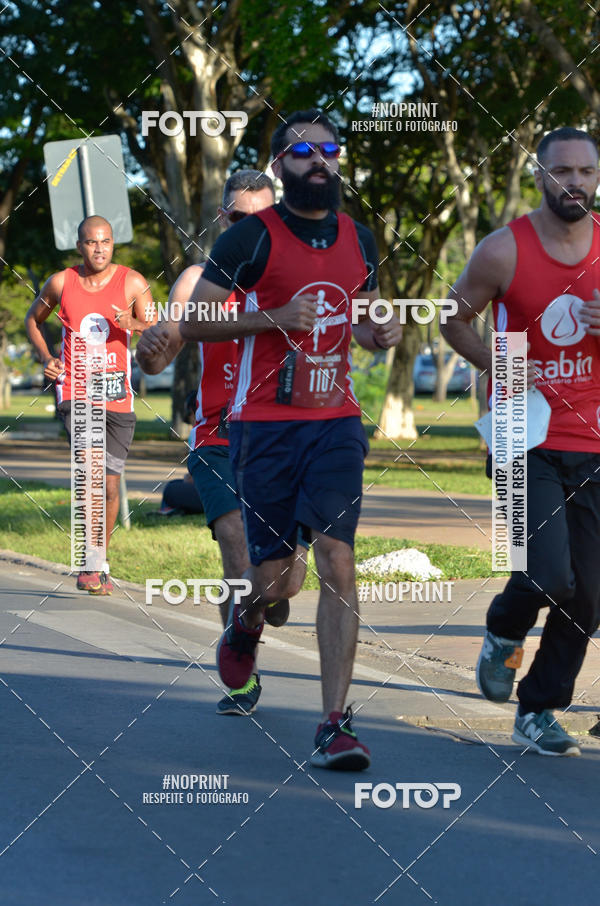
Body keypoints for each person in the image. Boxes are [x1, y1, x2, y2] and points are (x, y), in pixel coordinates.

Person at [176, 109, 402, 770]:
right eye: (303, 151)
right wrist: (274, 316)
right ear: (280, 165)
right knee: (275, 579)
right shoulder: (250, 239)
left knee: (337, 559)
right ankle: (246, 622)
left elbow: (362, 319)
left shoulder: (360, 238)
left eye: (329, 149)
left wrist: (378, 333)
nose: (318, 160)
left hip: (336, 421)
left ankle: (334, 724)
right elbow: (194, 323)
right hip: (264, 425)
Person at [442, 126, 600, 756]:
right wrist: (499, 361)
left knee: (590, 592)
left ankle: (538, 709)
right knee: (546, 576)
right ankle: (504, 631)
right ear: (540, 175)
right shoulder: (503, 249)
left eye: (586, 171)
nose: (576, 183)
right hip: (519, 433)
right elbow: (453, 318)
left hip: (593, 436)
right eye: (563, 171)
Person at [136, 169, 300, 715]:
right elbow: (160, 355)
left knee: (283, 582)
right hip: (217, 438)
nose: (249, 227)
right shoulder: (197, 281)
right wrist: (149, 352)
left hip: (282, 440)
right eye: (237, 217)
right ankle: (242, 671)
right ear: (221, 218)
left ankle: (268, 600)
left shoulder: (294, 279)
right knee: (236, 544)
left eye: (262, 218)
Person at [25, 215, 156, 594]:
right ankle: (90, 561)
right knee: (91, 474)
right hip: (75, 390)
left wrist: (134, 323)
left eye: (106, 241)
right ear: (79, 245)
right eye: (92, 242)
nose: (100, 249)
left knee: (110, 486)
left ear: (113, 244)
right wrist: (46, 357)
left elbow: (160, 328)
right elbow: (33, 319)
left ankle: (101, 562)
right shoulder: (61, 282)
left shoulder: (132, 282)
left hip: (117, 396)